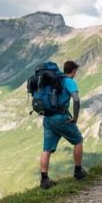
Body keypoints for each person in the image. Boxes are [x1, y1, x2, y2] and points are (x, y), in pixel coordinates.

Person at [40, 60, 86, 189]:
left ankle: (44, 180)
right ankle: (78, 172)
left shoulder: (54, 81)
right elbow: (76, 99)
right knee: (78, 141)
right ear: (74, 71)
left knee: (46, 149)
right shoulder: (68, 81)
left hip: (48, 118)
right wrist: (76, 116)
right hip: (61, 118)